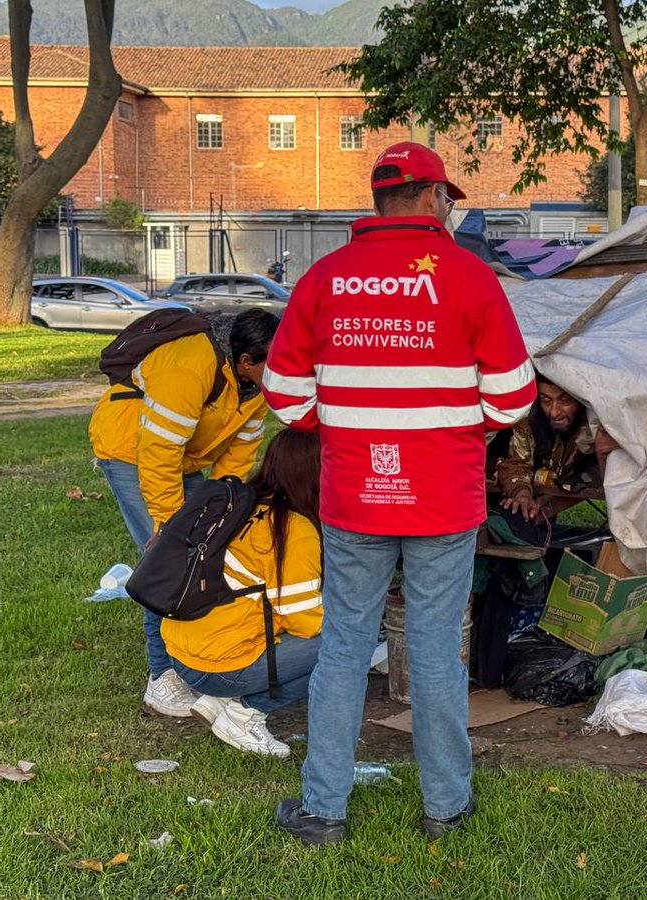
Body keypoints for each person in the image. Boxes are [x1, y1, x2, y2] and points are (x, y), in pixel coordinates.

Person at [262, 141, 536, 845]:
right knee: (437, 650)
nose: (448, 208)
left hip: (355, 494)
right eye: (448, 197)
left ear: (381, 196)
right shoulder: (469, 277)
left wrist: (345, 426)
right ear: (431, 198)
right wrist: (452, 429)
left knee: (346, 646)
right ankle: (445, 805)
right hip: (442, 498)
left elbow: (285, 393)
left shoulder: (326, 277)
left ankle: (324, 810)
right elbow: (512, 395)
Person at [89, 308, 280, 719]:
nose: (285, 375)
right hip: (131, 452)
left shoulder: (256, 385)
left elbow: (239, 452)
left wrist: (224, 509)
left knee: (207, 552)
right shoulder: (192, 363)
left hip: (186, 457)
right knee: (169, 562)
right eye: (275, 367)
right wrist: (167, 523)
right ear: (247, 360)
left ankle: (195, 662)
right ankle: (162, 679)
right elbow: (158, 451)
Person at [162, 429, 323, 759]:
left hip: (181, 649)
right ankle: (245, 714)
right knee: (349, 646)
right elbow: (305, 623)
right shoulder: (295, 529)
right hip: (218, 663)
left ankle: (220, 698)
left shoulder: (238, 504)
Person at [495, 375, 618, 527]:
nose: (554, 412)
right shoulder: (530, 417)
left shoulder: (599, 423)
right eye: (546, 400)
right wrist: (521, 493)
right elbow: (516, 462)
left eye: (564, 400)